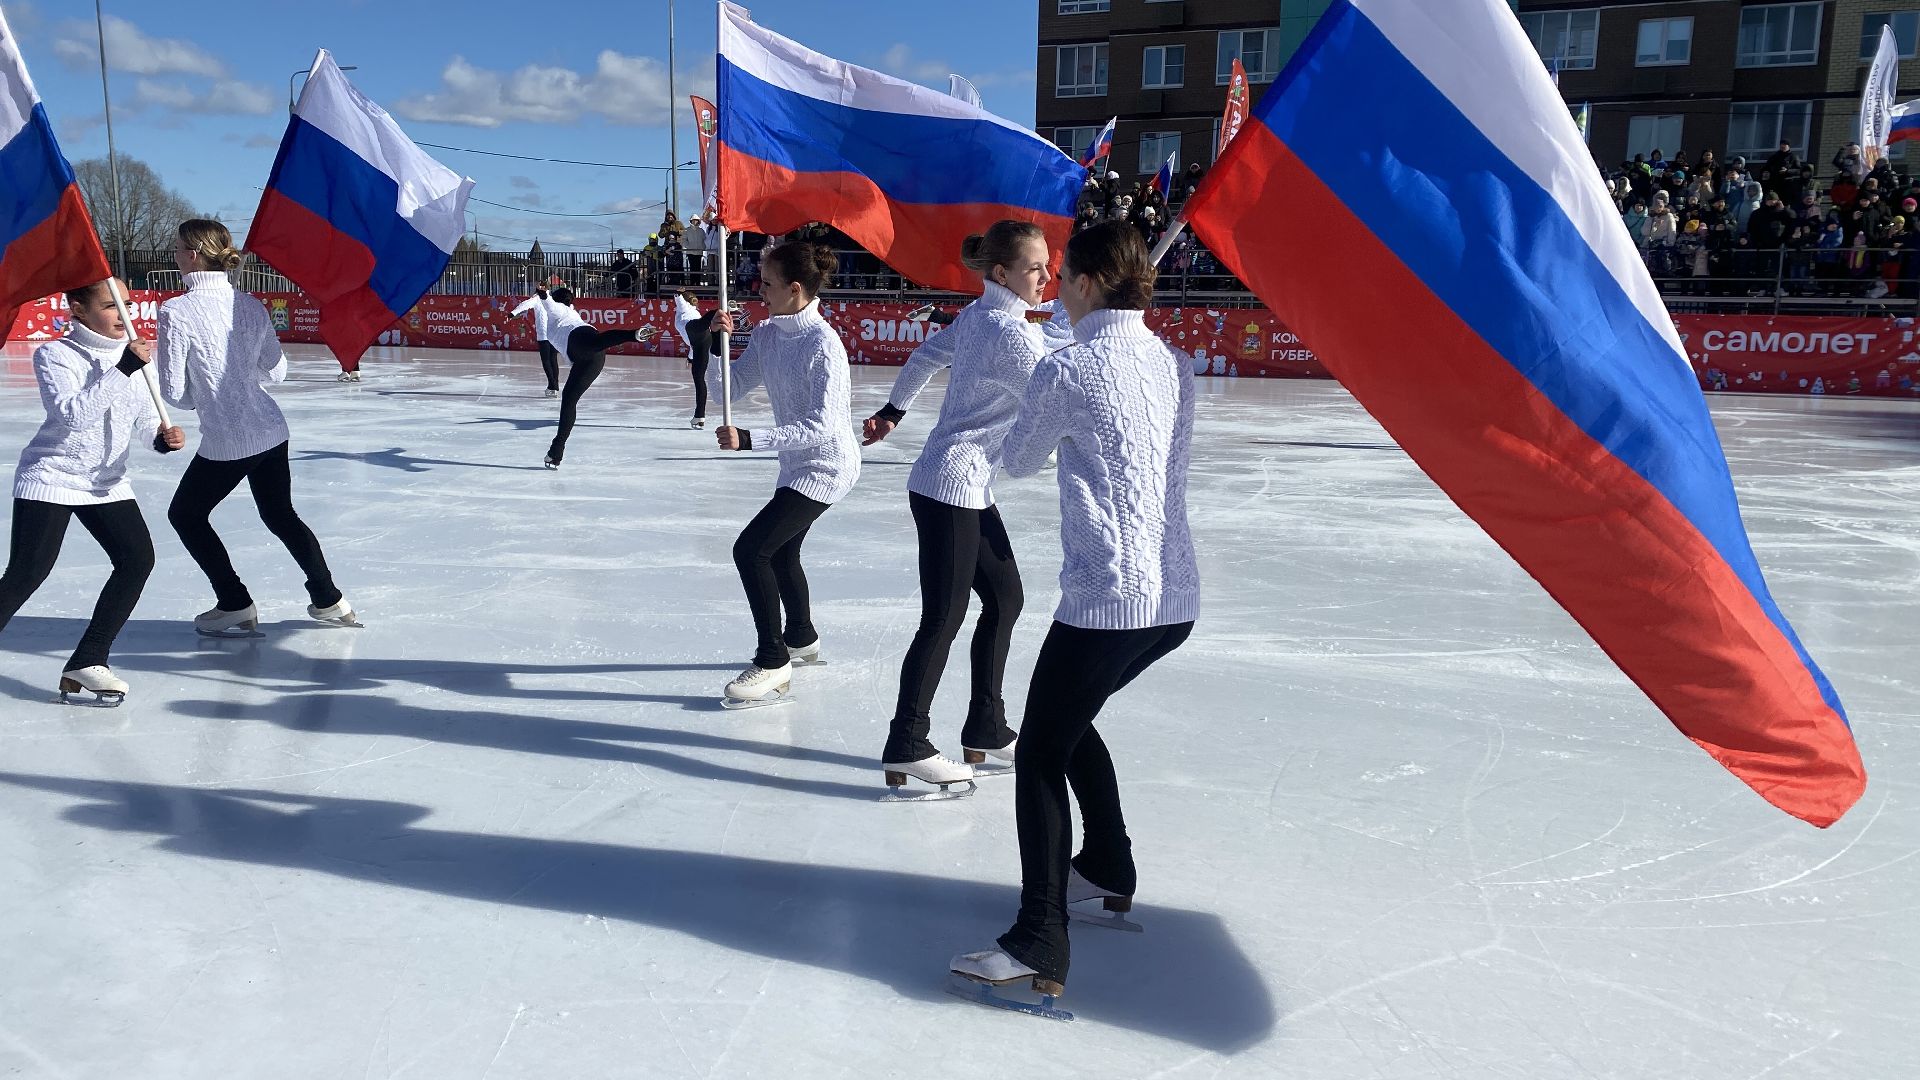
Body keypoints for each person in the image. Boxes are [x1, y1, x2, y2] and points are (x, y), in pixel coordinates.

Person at [949, 221, 1198, 1012]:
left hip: (1108, 598)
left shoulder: (1071, 366)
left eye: (1064, 278)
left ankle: (1039, 936)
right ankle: (1109, 866)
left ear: (1090, 284)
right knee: (1067, 721)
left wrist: (1045, 378)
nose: (1053, 287)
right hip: (1173, 599)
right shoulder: (1173, 360)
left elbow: (1018, 460)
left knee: (1041, 752)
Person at [861, 221, 1052, 795]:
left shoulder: (983, 317)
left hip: (965, 485)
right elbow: (1054, 393)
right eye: (1035, 267)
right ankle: (908, 743)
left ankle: (986, 727)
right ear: (1002, 274)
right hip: (950, 487)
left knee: (1005, 597)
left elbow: (924, 355)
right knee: (943, 618)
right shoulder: (1012, 335)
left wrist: (894, 410)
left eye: (1048, 265)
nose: (1048, 276)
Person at [156, 219, 356, 636]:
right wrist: (241, 383)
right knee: (280, 514)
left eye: (176, 249)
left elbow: (175, 393)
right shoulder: (249, 304)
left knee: (186, 515)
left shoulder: (176, 311)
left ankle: (234, 602)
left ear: (193, 255)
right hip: (271, 429)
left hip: (230, 438)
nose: (172, 256)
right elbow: (277, 370)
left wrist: (211, 394)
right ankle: (329, 598)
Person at [1, 278, 185, 704]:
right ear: (79, 310)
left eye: (126, 303)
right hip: (52, 477)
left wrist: (158, 439)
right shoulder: (57, 354)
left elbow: (141, 420)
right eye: (110, 305)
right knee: (27, 573)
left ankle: (89, 659)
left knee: (136, 560)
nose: (123, 314)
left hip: (106, 482)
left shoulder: (136, 356)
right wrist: (123, 368)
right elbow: (73, 417)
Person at [709, 242, 859, 708]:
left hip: (829, 465)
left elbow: (825, 426)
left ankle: (773, 661)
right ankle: (802, 638)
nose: (760, 290)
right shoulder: (770, 334)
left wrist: (751, 439)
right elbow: (724, 393)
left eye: (767, 284)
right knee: (780, 552)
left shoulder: (823, 345)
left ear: (795, 288)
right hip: (797, 464)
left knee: (751, 550)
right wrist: (715, 345)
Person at [540, 287, 657, 468]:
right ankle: (555, 452)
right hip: (591, 359)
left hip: (579, 341)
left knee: (594, 346)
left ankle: (632, 334)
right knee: (569, 398)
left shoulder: (560, 310)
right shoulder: (569, 314)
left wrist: (544, 296)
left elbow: (552, 307)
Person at [672, 289, 747, 430]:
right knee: (699, 379)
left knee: (705, 322)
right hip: (701, 341)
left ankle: (721, 311)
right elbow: (693, 344)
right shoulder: (695, 312)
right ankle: (699, 417)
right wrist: (690, 358)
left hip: (694, 329)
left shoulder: (685, 307)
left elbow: (679, 300)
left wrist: (678, 293)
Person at [509, 284, 561, 397]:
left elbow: (524, 304)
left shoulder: (537, 299)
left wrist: (513, 313)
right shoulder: (552, 298)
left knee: (547, 361)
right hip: (553, 334)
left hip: (544, 335)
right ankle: (554, 386)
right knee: (552, 360)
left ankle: (552, 386)